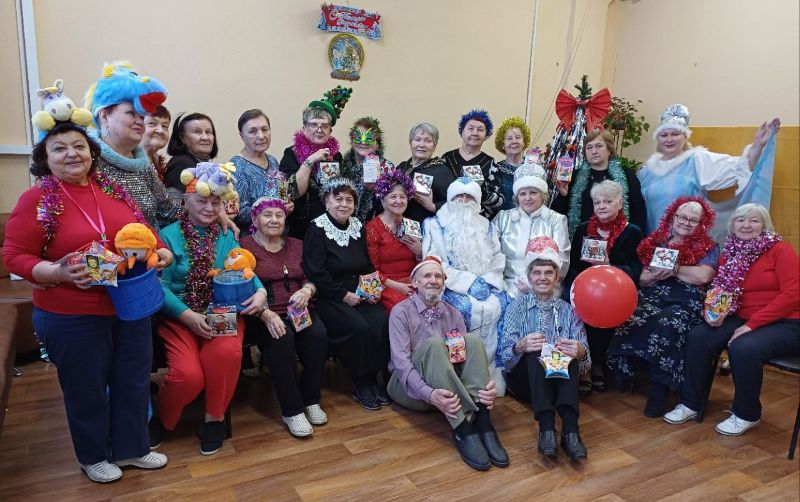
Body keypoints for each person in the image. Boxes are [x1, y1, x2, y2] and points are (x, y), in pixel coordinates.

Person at [3, 117, 173, 483]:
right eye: (59, 148)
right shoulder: (37, 199)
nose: (71, 154)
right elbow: (14, 256)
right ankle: (93, 455)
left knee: (132, 381)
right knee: (87, 390)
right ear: (44, 158)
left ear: (92, 153)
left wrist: (161, 249)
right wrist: (58, 271)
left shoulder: (112, 190)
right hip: (72, 314)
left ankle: (131, 448)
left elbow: (140, 231)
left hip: (129, 306)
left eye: (79, 146)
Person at [151, 163, 268, 455]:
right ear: (185, 201)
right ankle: (162, 418)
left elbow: (242, 267)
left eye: (215, 202)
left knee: (227, 354)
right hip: (180, 315)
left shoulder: (226, 233)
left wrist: (261, 291)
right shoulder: (167, 236)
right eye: (201, 201)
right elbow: (160, 287)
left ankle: (214, 419)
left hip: (222, 311)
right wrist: (188, 316)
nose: (208, 208)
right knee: (188, 377)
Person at [663, 203, 799, 435]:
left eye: (754, 220)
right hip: (741, 316)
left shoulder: (780, 249)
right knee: (700, 335)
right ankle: (690, 403)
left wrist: (752, 325)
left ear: (764, 225)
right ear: (732, 225)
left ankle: (747, 414)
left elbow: (793, 294)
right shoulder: (729, 252)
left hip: (787, 321)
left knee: (743, 347)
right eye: (740, 220)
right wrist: (713, 312)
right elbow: (721, 290)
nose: (746, 225)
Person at [388, 257, 509, 470]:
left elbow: (463, 360)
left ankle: (484, 421)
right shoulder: (400, 312)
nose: (433, 280)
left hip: (447, 392)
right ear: (415, 282)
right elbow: (402, 365)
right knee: (435, 344)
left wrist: (485, 386)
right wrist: (429, 394)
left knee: (472, 340)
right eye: (427, 275)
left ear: (444, 282)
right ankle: (463, 429)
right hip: (411, 390)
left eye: (438, 276)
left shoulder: (453, 313)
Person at [607, 197, 719, 417]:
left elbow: (703, 276)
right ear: (672, 217)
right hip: (654, 294)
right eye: (682, 217)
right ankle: (626, 374)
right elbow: (642, 278)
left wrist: (674, 269)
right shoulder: (657, 242)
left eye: (693, 220)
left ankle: (659, 388)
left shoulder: (709, 246)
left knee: (668, 321)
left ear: (701, 224)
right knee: (631, 313)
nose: (686, 222)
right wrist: (656, 274)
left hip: (686, 300)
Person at [240, 197, 329, 437]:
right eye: (267, 215)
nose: (274, 220)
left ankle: (311, 400)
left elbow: (311, 277)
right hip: (263, 313)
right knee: (282, 339)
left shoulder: (297, 244)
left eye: (279, 215)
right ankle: (293, 410)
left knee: (317, 336)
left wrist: (307, 290)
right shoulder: (244, 247)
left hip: (298, 309)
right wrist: (264, 313)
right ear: (255, 220)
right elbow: (241, 287)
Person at [301, 177, 390, 410]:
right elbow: (315, 272)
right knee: (359, 328)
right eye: (338, 199)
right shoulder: (316, 229)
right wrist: (342, 294)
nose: (344, 204)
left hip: (359, 290)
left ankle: (373, 378)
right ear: (326, 201)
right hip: (330, 294)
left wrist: (373, 289)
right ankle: (360, 382)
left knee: (382, 321)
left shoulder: (357, 225)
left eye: (349, 200)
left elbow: (366, 264)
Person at [499, 249, 590, 460]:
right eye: (537, 272)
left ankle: (570, 431)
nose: (542, 278)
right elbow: (505, 360)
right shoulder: (515, 308)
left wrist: (580, 352)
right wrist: (519, 347)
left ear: (557, 278)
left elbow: (585, 365)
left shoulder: (569, 310)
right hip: (526, 383)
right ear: (529, 277)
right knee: (536, 352)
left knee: (569, 353)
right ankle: (547, 428)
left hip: (558, 385)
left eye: (548, 272)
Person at [638, 104, 780, 237]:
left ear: (685, 136)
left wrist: (758, 144)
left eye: (675, 134)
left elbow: (742, 166)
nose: (669, 139)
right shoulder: (646, 172)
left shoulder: (698, 160)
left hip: (689, 244)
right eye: (664, 135)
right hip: (654, 242)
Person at [422, 177, 508, 394]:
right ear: (450, 199)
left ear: (476, 201)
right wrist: (467, 283)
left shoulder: (487, 225)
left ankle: (492, 375)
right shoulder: (434, 224)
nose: (464, 200)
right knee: (462, 309)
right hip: (451, 285)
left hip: (486, 284)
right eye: (459, 196)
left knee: (503, 306)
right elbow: (433, 260)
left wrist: (487, 280)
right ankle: (461, 376)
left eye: (469, 196)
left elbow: (498, 256)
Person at [564, 180, 644, 395]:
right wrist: (576, 287)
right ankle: (582, 365)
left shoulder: (633, 231)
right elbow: (573, 265)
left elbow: (637, 269)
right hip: (585, 289)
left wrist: (609, 266)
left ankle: (597, 365)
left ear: (620, 203)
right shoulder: (583, 229)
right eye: (597, 202)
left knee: (605, 311)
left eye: (608, 201)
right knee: (575, 308)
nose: (601, 206)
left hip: (616, 292)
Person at [83, 61, 179, 229]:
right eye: (131, 113)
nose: (139, 121)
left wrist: (206, 208)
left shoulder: (143, 163)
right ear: (104, 116)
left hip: (153, 244)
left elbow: (169, 211)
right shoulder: (87, 160)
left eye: (141, 117)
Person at [280, 86, 352, 239]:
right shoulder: (291, 153)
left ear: (330, 131)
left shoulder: (336, 156)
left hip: (331, 224)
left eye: (325, 125)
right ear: (304, 128)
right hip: (301, 228)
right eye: (314, 124)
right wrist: (311, 160)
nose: (319, 130)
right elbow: (292, 192)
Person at [492, 162, 570, 297]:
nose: (527, 198)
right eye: (522, 193)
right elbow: (490, 252)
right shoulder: (503, 218)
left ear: (542, 194)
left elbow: (562, 260)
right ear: (517, 197)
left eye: (533, 192)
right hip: (505, 286)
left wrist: (534, 286)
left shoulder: (556, 220)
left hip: (544, 288)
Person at [550, 129, 647, 238]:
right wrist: (563, 195)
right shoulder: (574, 176)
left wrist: (633, 238)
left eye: (599, 146)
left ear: (609, 150)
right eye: (589, 147)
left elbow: (639, 211)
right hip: (582, 239)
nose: (594, 151)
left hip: (619, 241)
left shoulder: (626, 175)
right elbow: (557, 214)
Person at [231, 109, 296, 233]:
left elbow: (281, 194)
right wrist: (272, 211)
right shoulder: (235, 167)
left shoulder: (273, 160)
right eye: (253, 131)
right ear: (242, 136)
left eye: (264, 129)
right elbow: (238, 214)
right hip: (252, 238)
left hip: (278, 235)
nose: (261, 136)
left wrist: (287, 206)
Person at [365, 171, 422, 312]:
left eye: (402, 197)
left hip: (414, 282)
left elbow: (421, 263)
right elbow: (370, 270)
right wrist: (398, 286)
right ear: (382, 200)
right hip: (387, 285)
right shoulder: (372, 228)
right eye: (393, 196)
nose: (399, 201)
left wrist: (420, 252)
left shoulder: (412, 225)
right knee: (409, 309)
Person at [441, 109, 500, 219]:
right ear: (462, 132)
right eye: (470, 128)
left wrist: (481, 188)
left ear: (486, 135)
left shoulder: (490, 163)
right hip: (448, 219)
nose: (475, 133)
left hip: (477, 222)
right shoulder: (447, 158)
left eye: (480, 130)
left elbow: (498, 202)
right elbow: (439, 192)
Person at [395, 122, 458, 223]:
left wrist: (433, 206)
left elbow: (456, 203)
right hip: (398, 224)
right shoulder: (402, 167)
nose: (422, 145)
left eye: (428, 141)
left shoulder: (441, 171)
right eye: (417, 139)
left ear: (434, 146)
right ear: (411, 142)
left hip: (427, 227)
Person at [339, 116, 395, 223]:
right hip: (344, 223)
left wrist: (375, 189)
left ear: (377, 145)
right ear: (352, 141)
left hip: (374, 224)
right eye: (358, 137)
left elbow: (393, 203)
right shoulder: (343, 166)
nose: (363, 142)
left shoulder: (386, 168)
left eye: (369, 139)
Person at [163, 112, 220, 197]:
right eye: (197, 132)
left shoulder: (205, 164)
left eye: (208, 132)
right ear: (182, 138)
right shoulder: (181, 164)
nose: (205, 137)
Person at [493, 116, 532, 212]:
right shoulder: (495, 169)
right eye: (509, 138)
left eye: (518, 137)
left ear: (524, 142)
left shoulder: (533, 167)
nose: (514, 141)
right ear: (503, 145)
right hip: (503, 220)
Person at [140, 105, 171, 182]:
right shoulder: (128, 161)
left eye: (165, 126)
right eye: (152, 123)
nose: (160, 130)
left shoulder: (158, 162)